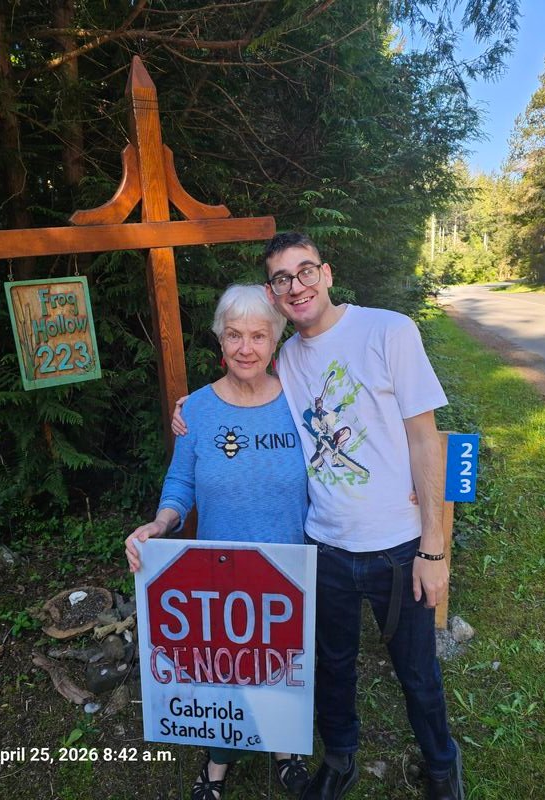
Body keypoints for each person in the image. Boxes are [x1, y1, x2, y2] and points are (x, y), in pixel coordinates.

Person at [262, 232, 464, 800]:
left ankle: (441, 766)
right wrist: (192, 408)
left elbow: (425, 441)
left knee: (418, 673)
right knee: (332, 666)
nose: (296, 286)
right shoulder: (288, 358)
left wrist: (433, 546)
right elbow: (246, 391)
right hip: (325, 546)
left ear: (326, 274)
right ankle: (341, 759)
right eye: (282, 279)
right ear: (273, 294)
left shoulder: (389, 330)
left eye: (305, 272)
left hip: (399, 549)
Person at [125, 284, 311, 800]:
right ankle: (217, 764)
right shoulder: (199, 411)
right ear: (220, 340)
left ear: (276, 340)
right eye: (234, 335)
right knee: (225, 669)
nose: (246, 347)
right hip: (221, 573)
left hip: (289, 567)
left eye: (257, 335)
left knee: (282, 660)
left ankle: (285, 749)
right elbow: (180, 484)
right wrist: (161, 526)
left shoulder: (300, 402)